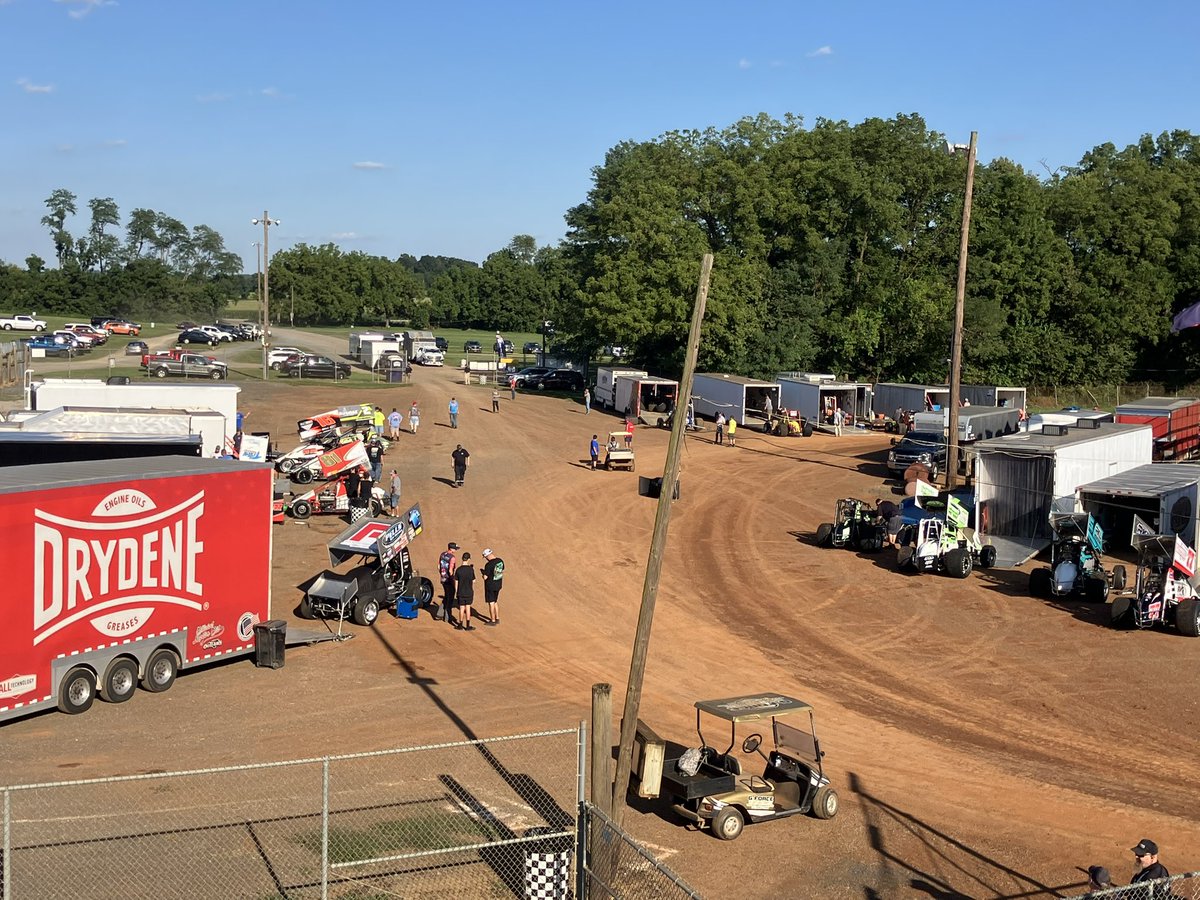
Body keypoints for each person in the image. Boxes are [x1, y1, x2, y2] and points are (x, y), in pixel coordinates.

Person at [481, 548, 504, 625]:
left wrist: (483, 574)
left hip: (490, 586)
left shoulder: (488, 565)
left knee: (491, 603)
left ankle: (492, 620)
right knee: (495, 601)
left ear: (487, 556)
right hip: (498, 584)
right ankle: (497, 618)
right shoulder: (500, 561)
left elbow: (485, 577)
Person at [454, 551, 476, 630]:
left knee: (461, 608)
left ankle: (460, 624)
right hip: (469, 592)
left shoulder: (458, 570)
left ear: (462, 558)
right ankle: (468, 625)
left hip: (461, 592)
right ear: (469, 559)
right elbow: (474, 581)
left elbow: (456, 582)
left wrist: (457, 592)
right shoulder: (471, 570)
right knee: (468, 608)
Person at [438, 542, 459, 625]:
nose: (456, 550)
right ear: (452, 548)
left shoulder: (442, 554)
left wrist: (442, 575)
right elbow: (451, 571)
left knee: (446, 595)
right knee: (450, 598)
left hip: (443, 578)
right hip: (449, 580)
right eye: (455, 548)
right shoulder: (452, 558)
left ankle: (439, 613)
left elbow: (438, 566)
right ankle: (447, 617)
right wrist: (453, 580)